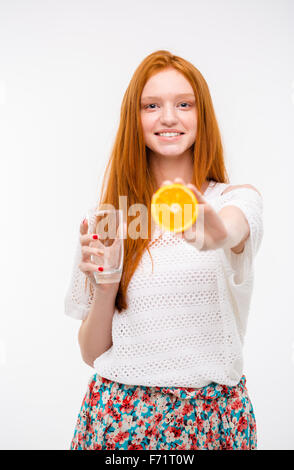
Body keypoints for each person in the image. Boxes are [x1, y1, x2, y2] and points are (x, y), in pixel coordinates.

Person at [64, 50, 264, 450]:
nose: (168, 117)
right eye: (151, 105)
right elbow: (92, 353)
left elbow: (236, 227)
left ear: (201, 116)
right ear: (134, 120)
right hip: (119, 418)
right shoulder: (112, 217)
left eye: (184, 104)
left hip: (212, 419)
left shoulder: (232, 201)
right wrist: (106, 286)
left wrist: (217, 234)